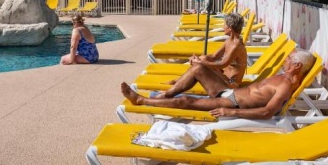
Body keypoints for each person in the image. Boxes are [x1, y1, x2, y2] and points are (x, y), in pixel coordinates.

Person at [121, 49, 316, 120]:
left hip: (231, 104)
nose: (285, 60)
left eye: (289, 59)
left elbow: (267, 112)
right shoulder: (280, 76)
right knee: (198, 68)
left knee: (186, 101)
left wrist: (232, 112)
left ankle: (141, 100)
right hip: (231, 92)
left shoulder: (285, 86)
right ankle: (164, 96)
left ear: (297, 65)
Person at [156, 13, 247, 98]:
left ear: (230, 28)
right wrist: (199, 59)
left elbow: (222, 64)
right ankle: (177, 82)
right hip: (224, 77)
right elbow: (214, 57)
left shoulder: (237, 45)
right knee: (204, 58)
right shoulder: (228, 41)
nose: (223, 27)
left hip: (231, 84)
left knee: (198, 67)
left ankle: (169, 92)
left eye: (225, 25)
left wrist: (200, 62)